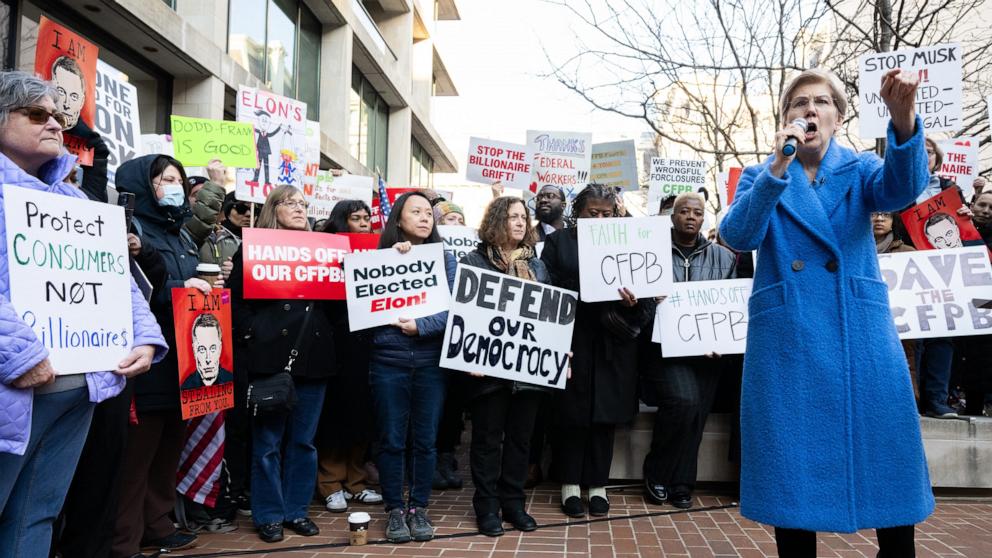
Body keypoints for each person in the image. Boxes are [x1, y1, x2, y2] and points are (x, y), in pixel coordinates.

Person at [719, 67, 932, 555]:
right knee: (794, 485)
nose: (809, 110)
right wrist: (777, 168)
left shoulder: (859, 171)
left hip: (860, 338)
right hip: (789, 343)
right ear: (786, 118)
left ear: (837, 117)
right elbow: (738, 236)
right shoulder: (760, 175)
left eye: (821, 102)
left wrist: (902, 118)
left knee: (887, 468)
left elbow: (902, 189)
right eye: (798, 104)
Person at [0, 71, 166, 558]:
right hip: (18, 386)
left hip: (79, 391)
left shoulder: (76, 200)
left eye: (57, 114)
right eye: (36, 114)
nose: (54, 123)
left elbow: (114, 279)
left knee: (37, 516)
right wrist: (21, 355)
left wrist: (142, 338)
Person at [111, 153, 221, 556]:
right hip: (149, 359)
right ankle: (125, 538)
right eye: (164, 180)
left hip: (186, 360)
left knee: (168, 450)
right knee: (137, 457)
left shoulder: (182, 234)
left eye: (177, 179)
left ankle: (157, 524)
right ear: (142, 186)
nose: (174, 187)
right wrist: (182, 284)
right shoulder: (132, 232)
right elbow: (145, 288)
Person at [227, 186, 336, 543]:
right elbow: (235, 303)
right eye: (291, 203)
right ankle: (269, 514)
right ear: (274, 208)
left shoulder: (324, 250)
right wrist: (255, 331)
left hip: (314, 358)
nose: (300, 209)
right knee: (268, 442)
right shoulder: (255, 247)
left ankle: (296, 511)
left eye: (304, 204)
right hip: (270, 358)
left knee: (304, 442)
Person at [541, 184, 656, 518]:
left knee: (604, 416)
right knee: (572, 413)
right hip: (573, 337)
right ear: (578, 212)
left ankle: (598, 484)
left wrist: (633, 302)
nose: (601, 218)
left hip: (613, 342)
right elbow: (546, 289)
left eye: (607, 213)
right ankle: (569, 484)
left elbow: (645, 298)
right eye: (593, 213)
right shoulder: (558, 242)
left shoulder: (631, 240)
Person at [459, 196, 549, 536]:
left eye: (523, 217)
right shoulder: (475, 261)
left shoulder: (537, 266)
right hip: (488, 369)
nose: (520, 222)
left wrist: (559, 352)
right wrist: (469, 356)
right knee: (486, 440)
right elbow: (466, 313)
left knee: (520, 441)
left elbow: (548, 315)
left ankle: (513, 503)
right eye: (512, 216)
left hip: (527, 371)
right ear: (497, 220)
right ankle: (487, 507)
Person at [369, 192, 456, 544]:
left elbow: (455, 307)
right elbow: (364, 309)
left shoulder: (445, 260)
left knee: (425, 441)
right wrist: (393, 261)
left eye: (428, 213)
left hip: (430, 363)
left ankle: (418, 508)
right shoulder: (376, 260)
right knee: (390, 440)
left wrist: (423, 326)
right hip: (388, 362)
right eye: (415, 212)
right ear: (398, 220)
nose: (425, 217)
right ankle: (394, 509)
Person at [642, 192, 736, 510]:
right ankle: (656, 471)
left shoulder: (724, 258)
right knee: (683, 401)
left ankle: (682, 483)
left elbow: (728, 306)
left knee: (697, 415)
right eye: (684, 211)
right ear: (673, 216)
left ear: (704, 218)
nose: (691, 217)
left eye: (697, 212)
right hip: (665, 348)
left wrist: (721, 340)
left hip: (708, 353)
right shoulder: (652, 252)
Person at [314, 201, 383, 513]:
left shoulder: (379, 250)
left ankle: (356, 482)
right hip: (335, 343)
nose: (364, 223)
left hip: (368, 344)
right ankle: (329, 482)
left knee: (362, 414)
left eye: (367, 218)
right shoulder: (325, 253)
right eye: (355, 218)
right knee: (336, 415)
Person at [179, 314, 233, 390]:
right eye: (202, 349)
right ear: (194, 351)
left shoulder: (231, 380)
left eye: (212, 348)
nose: (208, 359)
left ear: (220, 348)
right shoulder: (185, 387)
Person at [50, 56, 85, 129]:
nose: (66, 104)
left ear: (82, 102)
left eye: (74, 97)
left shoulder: (89, 137)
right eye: (61, 91)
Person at [252, 110, 282, 186]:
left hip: (266, 152)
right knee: (258, 166)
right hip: (260, 151)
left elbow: (273, 133)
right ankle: (255, 179)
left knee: (266, 166)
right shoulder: (259, 131)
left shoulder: (267, 134)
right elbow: (253, 129)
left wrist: (279, 127)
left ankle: (267, 180)